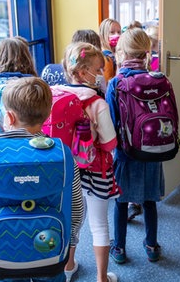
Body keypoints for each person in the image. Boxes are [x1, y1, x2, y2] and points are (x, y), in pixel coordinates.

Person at [0, 77, 84, 282]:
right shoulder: (61, 157)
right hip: (51, 249)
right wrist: (69, 240)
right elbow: (77, 210)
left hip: (4, 254)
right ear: (47, 115)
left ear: (8, 116)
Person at [56, 42, 119, 282]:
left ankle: (68, 266)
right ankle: (102, 278)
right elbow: (110, 143)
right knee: (99, 224)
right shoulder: (97, 103)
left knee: (72, 220)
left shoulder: (56, 96)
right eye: (98, 68)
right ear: (83, 73)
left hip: (65, 171)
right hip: (95, 171)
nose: (102, 73)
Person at [105, 28, 165, 264]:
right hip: (153, 152)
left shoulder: (116, 83)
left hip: (126, 153)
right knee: (149, 200)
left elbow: (111, 121)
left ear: (121, 52)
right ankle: (151, 246)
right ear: (146, 53)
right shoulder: (159, 80)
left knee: (121, 201)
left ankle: (119, 248)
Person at [98, 18, 122, 82]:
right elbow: (108, 82)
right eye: (112, 32)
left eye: (119, 32)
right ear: (103, 35)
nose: (117, 35)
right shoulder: (106, 57)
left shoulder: (117, 53)